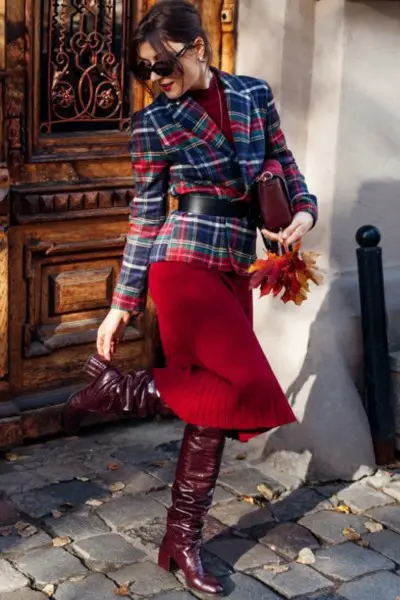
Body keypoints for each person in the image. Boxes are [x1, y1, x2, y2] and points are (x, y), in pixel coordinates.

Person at [63, 0, 318, 595]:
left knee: (212, 409)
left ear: (198, 47)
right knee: (251, 388)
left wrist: (303, 211)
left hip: (235, 263)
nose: (156, 78)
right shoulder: (153, 124)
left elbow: (283, 162)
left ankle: (181, 539)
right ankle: (119, 388)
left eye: (164, 64)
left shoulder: (254, 94)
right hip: (181, 263)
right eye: (147, 70)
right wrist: (123, 303)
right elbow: (146, 214)